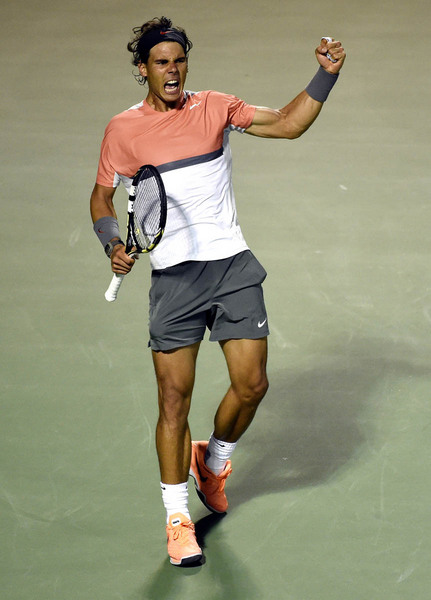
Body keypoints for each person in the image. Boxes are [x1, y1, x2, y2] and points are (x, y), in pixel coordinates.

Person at [90, 16, 346, 566]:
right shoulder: (122, 131)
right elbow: (101, 197)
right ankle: (177, 517)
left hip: (232, 266)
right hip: (175, 279)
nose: (173, 70)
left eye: (179, 60)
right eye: (161, 62)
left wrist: (324, 76)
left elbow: (287, 124)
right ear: (144, 70)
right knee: (172, 402)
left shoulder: (215, 107)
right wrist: (111, 240)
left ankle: (214, 461)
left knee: (252, 385)